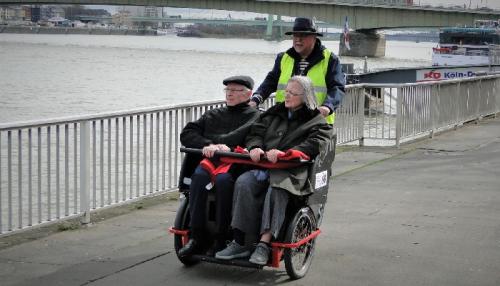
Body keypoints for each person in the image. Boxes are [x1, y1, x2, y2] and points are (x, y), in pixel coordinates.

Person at [215, 76, 334, 264]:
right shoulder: (274, 112)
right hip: (264, 166)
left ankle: (264, 244)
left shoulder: (317, 122)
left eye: (293, 93)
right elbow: (256, 132)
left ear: (306, 96)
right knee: (244, 182)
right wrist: (255, 147)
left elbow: (315, 143)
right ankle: (240, 241)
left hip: (293, 171)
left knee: (277, 188)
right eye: (286, 91)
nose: (287, 96)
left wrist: (287, 153)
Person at [178, 75, 260, 258]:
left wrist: (226, 147)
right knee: (198, 177)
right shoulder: (213, 114)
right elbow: (187, 133)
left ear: (249, 94)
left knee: (224, 182)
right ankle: (196, 236)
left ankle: (222, 238)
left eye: (235, 90)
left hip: (236, 164)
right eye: (227, 90)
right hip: (210, 161)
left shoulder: (255, 116)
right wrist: (207, 144)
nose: (229, 94)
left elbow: (248, 139)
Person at [250, 17, 345, 124]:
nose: (298, 39)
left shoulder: (330, 59)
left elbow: (337, 88)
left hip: (316, 122)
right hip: (285, 121)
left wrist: (327, 106)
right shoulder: (283, 58)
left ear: (314, 37)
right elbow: (270, 82)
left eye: (303, 35)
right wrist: (256, 99)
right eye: (295, 35)